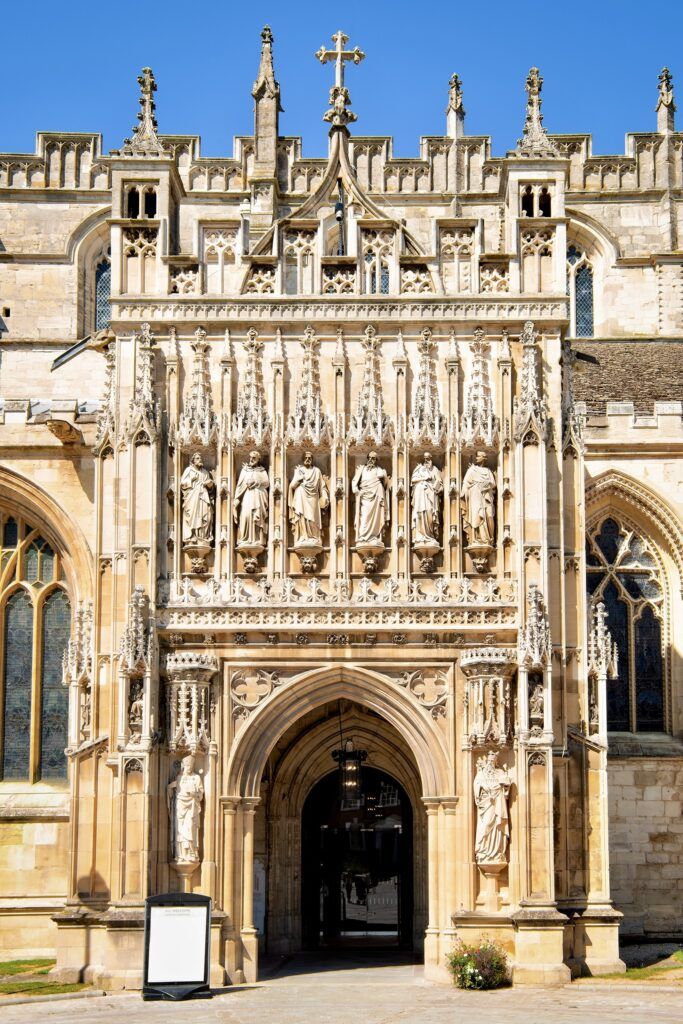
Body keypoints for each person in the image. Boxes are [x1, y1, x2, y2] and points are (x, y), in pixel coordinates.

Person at [473, 751, 511, 864]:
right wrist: (483, 786)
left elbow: (507, 785)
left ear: (496, 762)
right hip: (487, 804)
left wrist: (504, 784)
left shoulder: (500, 772)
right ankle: (483, 851)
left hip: (498, 804)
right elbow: (476, 785)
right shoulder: (481, 774)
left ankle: (498, 852)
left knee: (498, 827)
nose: (490, 763)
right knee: (485, 826)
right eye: (489, 761)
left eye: (492, 761)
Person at [167, 754, 204, 863]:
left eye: (190, 765)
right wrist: (170, 788)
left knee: (190, 829)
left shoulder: (196, 778)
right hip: (180, 807)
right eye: (186, 765)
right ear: (183, 766)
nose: (189, 768)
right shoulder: (179, 778)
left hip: (192, 807)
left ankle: (192, 853)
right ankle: (181, 854)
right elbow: (170, 792)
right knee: (180, 830)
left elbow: (200, 794)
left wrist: (194, 794)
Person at [288, 451, 329, 547]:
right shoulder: (299, 470)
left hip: (313, 497)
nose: (307, 459)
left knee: (312, 518)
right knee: (301, 516)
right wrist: (300, 478)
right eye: (306, 458)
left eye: (310, 458)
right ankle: (302, 536)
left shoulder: (317, 471)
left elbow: (322, 486)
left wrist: (324, 496)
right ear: (303, 459)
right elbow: (292, 486)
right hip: (301, 496)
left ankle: (314, 537)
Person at [352, 451, 390, 547]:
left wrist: (383, 478)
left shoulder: (380, 470)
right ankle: (363, 536)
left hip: (377, 496)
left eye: (373, 458)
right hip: (365, 497)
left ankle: (374, 536)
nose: (370, 460)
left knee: (376, 518)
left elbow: (386, 485)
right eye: (369, 457)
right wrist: (356, 491)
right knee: (364, 516)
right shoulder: (362, 469)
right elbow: (354, 482)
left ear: (376, 460)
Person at [233, 450, 269, 549]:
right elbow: (240, 486)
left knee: (256, 518)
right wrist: (236, 499)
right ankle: (245, 539)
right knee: (246, 516)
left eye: (254, 458)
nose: (251, 459)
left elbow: (266, 483)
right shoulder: (245, 470)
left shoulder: (262, 470)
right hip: (247, 496)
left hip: (258, 497)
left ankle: (257, 539)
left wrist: (256, 481)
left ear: (258, 459)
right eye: (250, 457)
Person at [461, 451, 496, 546]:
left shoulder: (488, 471)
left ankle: (488, 538)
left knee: (489, 516)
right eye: (476, 456)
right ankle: (475, 539)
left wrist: (485, 485)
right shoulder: (472, 470)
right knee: (476, 516)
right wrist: (463, 494)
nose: (476, 458)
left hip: (486, 497)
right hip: (474, 496)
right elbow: (465, 484)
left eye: (478, 456)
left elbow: (493, 483)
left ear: (484, 458)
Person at [180, 452, 214, 545]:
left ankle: (203, 537)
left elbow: (211, 489)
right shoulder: (189, 470)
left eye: (200, 458)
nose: (200, 460)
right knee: (191, 515)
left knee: (206, 515)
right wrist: (191, 480)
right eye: (198, 458)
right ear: (193, 461)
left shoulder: (205, 472)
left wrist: (210, 485)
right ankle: (192, 537)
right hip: (192, 497)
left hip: (203, 496)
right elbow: (182, 484)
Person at [410, 452, 443, 545]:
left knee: (429, 513)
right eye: (425, 458)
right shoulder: (419, 468)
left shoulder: (434, 470)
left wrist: (439, 489)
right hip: (420, 497)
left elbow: (440, 483)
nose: (426, 460)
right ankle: (419, 537)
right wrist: (424, 479)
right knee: (419, 515)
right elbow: (413, 480)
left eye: (428, 458)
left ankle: (430, 535)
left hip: (431, 497)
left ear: (431, 458)